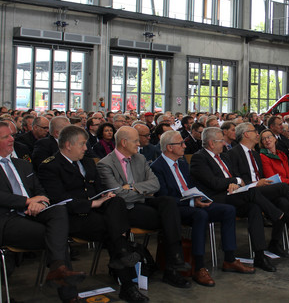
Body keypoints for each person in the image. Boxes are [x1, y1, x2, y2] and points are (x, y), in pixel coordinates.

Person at [37, 126, 147, 302]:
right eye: (82, 144)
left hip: (97, 213)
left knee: (116, 202)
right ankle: (127, 280)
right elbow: (59, 200)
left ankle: (122, 258)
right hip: (73, 217)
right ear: (68, 145)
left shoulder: (87, 162)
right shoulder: (50, 166)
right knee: (115, 231)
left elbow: (97, 188)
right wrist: (92, 203)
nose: (86, 148)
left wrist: (105, 195)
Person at [190, 127, 289, 272]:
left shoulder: (222, 156)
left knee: (254, 207)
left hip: (234, 194)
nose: (224, 143)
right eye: (221, 141)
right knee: (253, 193)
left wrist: (236, 181)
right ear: (211, 143)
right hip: (216, 198)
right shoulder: (200, 158)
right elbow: (214, 183)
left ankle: (259, 255)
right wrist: (235, 181)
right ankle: (287, 218)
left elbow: (237, 177)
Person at [151, 131, 255, 287]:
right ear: (169, 147)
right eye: (180, 143)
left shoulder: (181, 163)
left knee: (228, 210)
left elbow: (191, 186)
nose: (184, 146)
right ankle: (199, 267)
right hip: (176, 208)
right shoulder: (157, 167)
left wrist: (198, 198)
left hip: (193, 201)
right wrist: (191, 202)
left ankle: (230, 259)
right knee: (200, 215)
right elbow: (164, 198)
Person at [0, 122, 86, 303]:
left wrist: (40, 201)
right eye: (5, 137)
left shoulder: (22, 164)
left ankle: (58, 270)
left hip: (34, 211)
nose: (12, 139)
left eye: (11, 135)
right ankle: (69, 293)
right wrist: (26, 201)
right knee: (56, 235)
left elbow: (41, 189)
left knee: (59, 211)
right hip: (8, 218)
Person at [97, 126, 192, 289]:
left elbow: (155, 185)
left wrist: (131, 187)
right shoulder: (105, 164)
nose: (140, 143)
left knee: (168, 203)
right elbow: (119, 195)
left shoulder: (139, 159)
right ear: (124, 142)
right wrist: (140, 190)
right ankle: (172, 268)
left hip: (142, 202)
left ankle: (175, 260)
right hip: (125, 209)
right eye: (135, 141)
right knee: (169, 219)